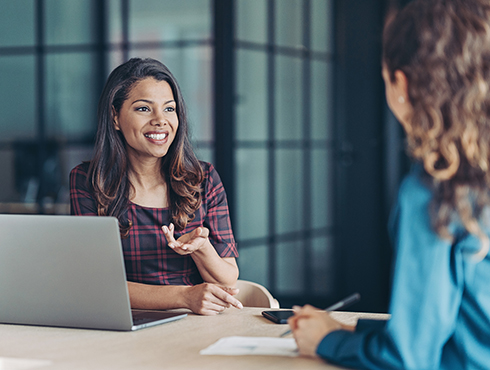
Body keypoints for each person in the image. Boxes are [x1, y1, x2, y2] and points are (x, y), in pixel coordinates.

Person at [288, 0, 490, 368]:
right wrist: (351, 330)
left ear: (402, 83)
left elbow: (408, 359)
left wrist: (327, 341)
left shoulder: (438, 190)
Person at [70, 57, 242, 315]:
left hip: (195, 323)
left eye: (169, 109)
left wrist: (201, 248)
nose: (161, 120)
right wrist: (184, 296)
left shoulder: (203, 178)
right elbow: (94, 284)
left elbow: (228, 278)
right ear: (115, 117)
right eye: (143, 109)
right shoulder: (87, 181)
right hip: (123, 324)